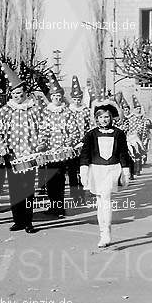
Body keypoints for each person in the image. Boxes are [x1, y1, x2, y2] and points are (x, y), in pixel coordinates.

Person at [0, 63, 46, 233]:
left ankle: (28, 222)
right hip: (11, 156)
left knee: (27, 189)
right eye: (14, 94)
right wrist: (1, 146)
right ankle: (17, 220)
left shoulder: (35, 109)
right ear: (11, 94)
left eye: (20, 93)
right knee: (14, 188)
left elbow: (44, 127)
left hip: (29, 155)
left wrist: (41, 142)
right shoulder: (5, 110)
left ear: (25, 93)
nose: (17, 96)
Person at [79, 96, 131, 248]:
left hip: (112, 169)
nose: (104, 120)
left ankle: (106, 233)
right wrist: (83, 170)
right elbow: (85, 154)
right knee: (100, 201)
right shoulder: (91, 134)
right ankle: (103, 231)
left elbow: (123, 153)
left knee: (106, 199)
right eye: (101, 117)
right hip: (96, 170)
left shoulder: (119, 133)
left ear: (111, 117)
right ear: (97, 119)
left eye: (107, 117)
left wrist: (125, 170)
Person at [39, 72, 79, 216]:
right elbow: (42, 130)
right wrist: (42, 144)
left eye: (59, 96)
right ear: (50, 97)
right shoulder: (46, 112)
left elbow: (74, 130)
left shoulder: (67, 112)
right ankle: (53, 206)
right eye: (54, 96)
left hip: (62, 152)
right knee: (50, 179)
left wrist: (70, 140)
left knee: (60, 179)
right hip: (50, 152)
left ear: (62, 97)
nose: (56, 98)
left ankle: (60, 207)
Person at [66, 76, 91, 208]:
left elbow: (89, 127)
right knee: (72, 172)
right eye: (74, 99)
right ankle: (75, 196)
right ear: (71, 99)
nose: (77, 101)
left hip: (83, 145)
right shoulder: (67, 111)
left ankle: (82, 195)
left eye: (79, 99)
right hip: (70, 146)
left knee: (83, 171)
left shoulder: (86, 111)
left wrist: (85, 141)